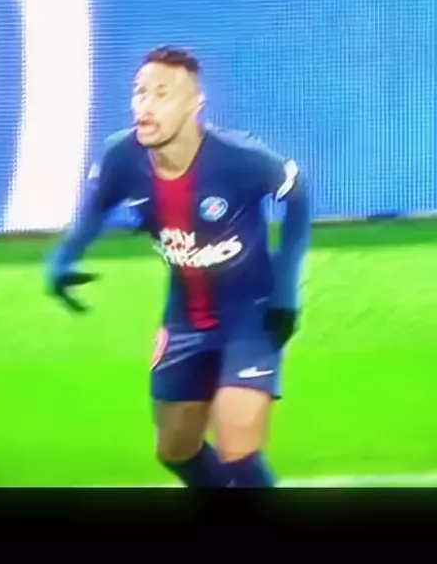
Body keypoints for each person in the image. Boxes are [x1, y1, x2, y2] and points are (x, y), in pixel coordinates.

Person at [47, 45, 311, 487]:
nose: (145, 105)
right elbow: (95, 208)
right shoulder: (121, 158)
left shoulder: (239, 158)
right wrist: (64, 259)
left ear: (195, 105)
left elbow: (296, 194)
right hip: (184, 320)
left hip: (252, 316)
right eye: (140, 92)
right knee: (174, 450)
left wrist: (286, 291)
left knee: (238, 453)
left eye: (162, 94)